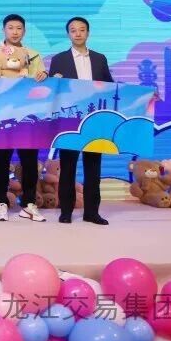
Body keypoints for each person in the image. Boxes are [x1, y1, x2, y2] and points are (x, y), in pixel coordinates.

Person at [0, 13, 48, 223]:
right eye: (11, 28)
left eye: (19, 28)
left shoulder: (33, 55)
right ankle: (1, 202)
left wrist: (44, 76)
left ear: (24, 31)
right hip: (2, 115)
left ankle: (28, 204)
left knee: (29, 160)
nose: (15, 32)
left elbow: (41, 82)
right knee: (1, 159)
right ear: (4, 30)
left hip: (28, 116)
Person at [49, 17, 112, 225]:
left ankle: (92, 212)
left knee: (93, 169)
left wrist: (143, 97)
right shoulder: (59, 59)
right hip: (69, 122)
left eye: (82, 29)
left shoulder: (100, 59)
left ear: (88, 33)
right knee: (67, 168)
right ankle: (66, 211)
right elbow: (53, 90)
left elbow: (111, 87)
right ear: (68, 34)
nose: (78, 33)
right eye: (73, 30)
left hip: (94, 120)